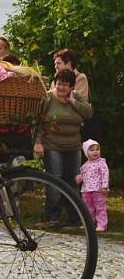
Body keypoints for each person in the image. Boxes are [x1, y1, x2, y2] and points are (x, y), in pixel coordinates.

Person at [34, 69, 93, 226]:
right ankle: (52, 216)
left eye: (65, 85)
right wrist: (38, 142)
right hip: (52, 145)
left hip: (73, 146)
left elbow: (88, 114)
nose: (61, 88)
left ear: (72, 87)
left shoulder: (77, 98)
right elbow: (38, 121)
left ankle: (75, 216)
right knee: (55, 179)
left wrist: (73, 101)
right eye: (59, 84)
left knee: (73, 181)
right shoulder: (47, 98)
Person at [76, 139, 109, 232]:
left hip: (98, 190)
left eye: (97, 149)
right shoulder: (85, 165)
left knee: (100, 207)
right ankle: (89, 223)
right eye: (92, 150)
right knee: (88, 208)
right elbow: (83, 175)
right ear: (86, 152)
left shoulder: (101, 163)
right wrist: (79, 178)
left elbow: (105, 175)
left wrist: (104, 186)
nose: (95, 152)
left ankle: (102, 224)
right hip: (86, 190)